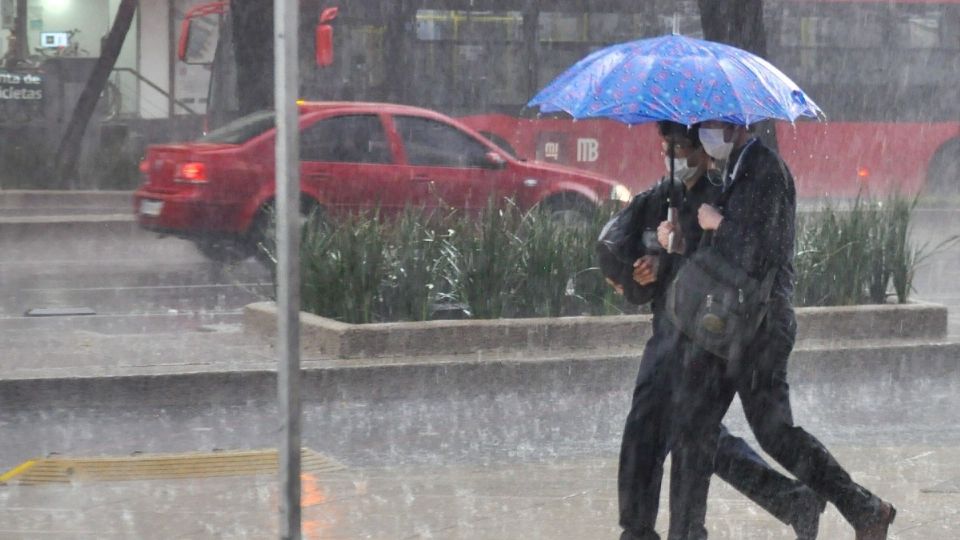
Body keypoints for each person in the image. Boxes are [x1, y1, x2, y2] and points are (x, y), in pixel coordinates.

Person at [663, 120, 897, 540]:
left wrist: (719, 223)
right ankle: (687, 533)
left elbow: (760, 250)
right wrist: (684, 241)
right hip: (731, 327)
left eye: (712, 126)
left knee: (776, 434)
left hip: (761, 327)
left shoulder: (766, 170)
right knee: (692, 427)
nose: (703, 135)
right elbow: (727, 258)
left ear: (735, 125)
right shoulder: (736, 169)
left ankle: (864, 509)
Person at [613, 122, 825, 540]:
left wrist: (677, 252)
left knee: (691, 433)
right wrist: (644, 268)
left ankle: (679, 530)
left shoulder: (723, 192)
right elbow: (630, 248)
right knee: (658, 427)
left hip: (701, 333)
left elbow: (724, 264)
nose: (675, 156)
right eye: (667, 147)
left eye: (682, 147)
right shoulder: (664, 194)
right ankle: (642, 528)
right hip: (668, 328)